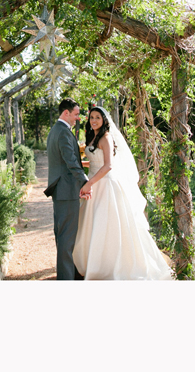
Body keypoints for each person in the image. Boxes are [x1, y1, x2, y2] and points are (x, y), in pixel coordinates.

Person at [73, 105, 173, 280]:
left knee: (108, 226)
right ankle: (95, 264)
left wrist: (89, 183)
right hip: (95, 184)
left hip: (105, 185)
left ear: (104, 120)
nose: (94, 120)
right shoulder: (93, 136)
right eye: (91, 117)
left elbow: (108, 165)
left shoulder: (106, 137)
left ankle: (113, 267)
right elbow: (96, 161)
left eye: (97, 117)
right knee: (94, 225)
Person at [45, 98, 90, 280]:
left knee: (63, 234)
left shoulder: (57, 130)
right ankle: (66, 279)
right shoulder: (63, 132)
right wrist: (85, 182)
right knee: (66, 237)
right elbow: (71, 162)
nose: (77, 118)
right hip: (66, 189)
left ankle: (69, 273)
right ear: (66, 113)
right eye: (76, 114)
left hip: (62, 190)